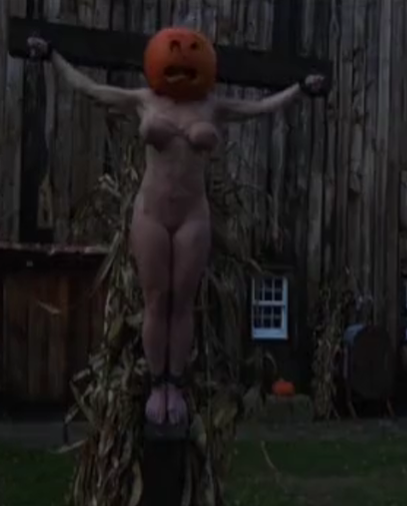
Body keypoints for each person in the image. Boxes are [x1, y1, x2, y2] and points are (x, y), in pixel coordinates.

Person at [26, 30, 326, 428]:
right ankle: (157, 384)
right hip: (150, 214)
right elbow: (91, 89)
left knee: (182, 302)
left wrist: (300, 90)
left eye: (193, 52)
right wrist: (52, 55)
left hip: (192, 216)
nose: (182, 58)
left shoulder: (212, 105)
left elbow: (261, 108)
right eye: (173, 51)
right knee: (156, 299)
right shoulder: (144, 99)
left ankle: (175, 384)